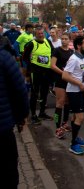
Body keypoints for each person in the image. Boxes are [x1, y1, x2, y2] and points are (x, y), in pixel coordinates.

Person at [0, 36, 29, 188]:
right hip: (3, 129)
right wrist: (21, 118)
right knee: (8, 171)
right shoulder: (5, 57)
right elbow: (20, 91)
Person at [62, 36, 84, 155]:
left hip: (81, 90)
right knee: (80, 117)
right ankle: (73, 144)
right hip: (73, 91)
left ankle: (76, 137)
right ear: (79, 46)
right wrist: (79, 83)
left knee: (75, 116)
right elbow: (65, 76)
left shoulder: (83, 57)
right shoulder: (73, 59)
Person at [23, 25, 54, 124]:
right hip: (36, 72)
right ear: (35, 34)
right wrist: (31, 65)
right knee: (35, 93)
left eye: (42, 33)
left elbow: (52, 54)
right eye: (39, 34)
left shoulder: (48, 42)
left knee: (44, 92)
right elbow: (25, 57)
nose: (41, 35)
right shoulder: (31, 44)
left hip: (47, 71)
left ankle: (42, 112)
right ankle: (33, 115)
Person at [50, 33, 74, 139]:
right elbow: (52, 66)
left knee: (68, 102)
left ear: (69, 40)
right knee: (60, 103)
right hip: (60, 80)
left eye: (66, 39)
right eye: (62, 39)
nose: (64, 40)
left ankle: (64, 123)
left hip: (69, 80)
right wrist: (62, 73)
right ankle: (57, 128)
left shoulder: (71, 52)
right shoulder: (57, 50)